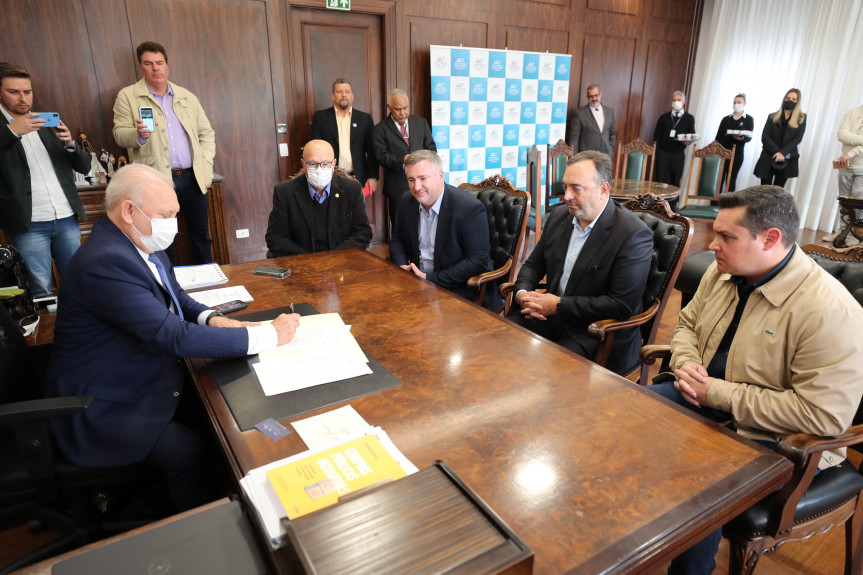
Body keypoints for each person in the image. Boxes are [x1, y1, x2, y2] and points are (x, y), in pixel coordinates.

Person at [44, 164, 300, 512]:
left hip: (138, 376)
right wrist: (270, 335)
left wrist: (213, 318)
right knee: (191, 449)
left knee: (228, 418)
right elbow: (172, 335)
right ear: (129, 211)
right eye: (167, 214)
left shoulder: (142, 242)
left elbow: (176, 296)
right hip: (102, 406)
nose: (173, 225)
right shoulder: (105, 261)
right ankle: (194, 525)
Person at [650, 186, 863, 575]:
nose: (712, 246)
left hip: (781, 437)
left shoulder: (830, 311)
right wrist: (686, 363)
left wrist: (717, 392)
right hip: (706, 400)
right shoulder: (723, 272)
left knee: (700, 484)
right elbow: (686, 326)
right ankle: (627, 536)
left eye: (726, 237)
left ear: (771, 239)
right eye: (715, 233)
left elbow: (823, 417)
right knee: (625, 416)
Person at [507, 150, 653, 375]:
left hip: (597, 331)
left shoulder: (632, 234)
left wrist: (557, 305)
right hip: (548, 317)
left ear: (603, 189)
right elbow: (534, 265)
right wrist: (523, 294)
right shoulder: (559, 216)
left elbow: (621, 305)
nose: (566, 196)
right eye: (565, 187)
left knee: (547, 374)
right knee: (500, 341)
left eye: (576, 188)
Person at [113, 41, 216, 266]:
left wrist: (206, 162)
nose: (155, 68)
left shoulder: (186, 96)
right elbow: (119, 134)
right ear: (141, 66)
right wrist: (138, 135)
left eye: (159, 63)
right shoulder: (128, 96)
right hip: (155, 181)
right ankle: (169, 288)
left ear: (167, 65)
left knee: (201, 236)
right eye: (148, 63)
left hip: (192, 177)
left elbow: (206, 133)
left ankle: (209, 281)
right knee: (161, 239)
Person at [0, 62, 91, 298]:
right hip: (29, 223)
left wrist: (70, 145)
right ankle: (50, 335)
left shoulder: (46, 121)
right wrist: (12, 131)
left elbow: (85, 166)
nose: (23, 98)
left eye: (27, 92)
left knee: (78, 283)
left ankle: (82, 333)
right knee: (40, 289)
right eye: (14, 92)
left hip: (66, 217)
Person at [388, 150, 498, 309]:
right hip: (417, 285)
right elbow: (397, 241)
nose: (416, 187)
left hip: (460, 289)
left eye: (423, 178)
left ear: (440, 176)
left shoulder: (469, 208)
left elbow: (477, 261)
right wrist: (402, 268)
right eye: (411, 180)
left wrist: (430, 279)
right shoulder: (407, 201)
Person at [265, 139, 372, 256]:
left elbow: (363, 232)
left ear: (334, 163)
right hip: (302, 264)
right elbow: (275, 237)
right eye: (313, 163)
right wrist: (310, 261)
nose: (319, 169)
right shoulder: (284, 192)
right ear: (303, 164)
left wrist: (334, 258)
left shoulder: (351, 188)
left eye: (325, 163)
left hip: (341, 262)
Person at [372, 89, 436, 231]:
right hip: (398, 187)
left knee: (426, 225)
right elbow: (380, 156)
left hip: (424, 185)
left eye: (405, 108)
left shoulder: (421, 123)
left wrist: (421, 160)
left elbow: (431, 148)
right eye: (397, 109)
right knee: (401, 227)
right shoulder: (380, 129)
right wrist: (403, 160)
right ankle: (401, 254)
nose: (402, 113)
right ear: (389, 108)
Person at [309, 78, 377, 195]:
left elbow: (372, 151)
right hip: (329, 177)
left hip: (358, 178)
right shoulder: (320, 118)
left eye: (347, 91)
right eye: (339, 91)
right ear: (333, 96)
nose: (344, 95)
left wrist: (373, 177)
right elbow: (314, 150)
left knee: (357, 213)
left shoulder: (365, 119)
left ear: (352, 96)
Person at [824, 103, 863, 244]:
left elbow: (848, 138)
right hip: (844, 164)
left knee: (858, 203)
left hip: (861, 167)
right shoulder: (851, 113)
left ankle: (855, 235)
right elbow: (841, 135)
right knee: (844, 202)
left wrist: (851, 152)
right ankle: (843, 233)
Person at [753, 88, 806, 188]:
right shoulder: (772, 116)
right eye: (788, 98)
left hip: (786, 159)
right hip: (768, 156)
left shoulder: (802, 117)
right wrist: (778, 152)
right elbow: (765, 137)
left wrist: (782, 153)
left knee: (777, 192)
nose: (790, 100)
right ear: (784, 99)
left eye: (794, 99)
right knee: (764, 191)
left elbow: (798, 138)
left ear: (797, 102)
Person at [653, 90, 696, 187]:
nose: (676, 102)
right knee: (660, 181)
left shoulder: (689, 118)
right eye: (674, 100)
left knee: (676, 181)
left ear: (684, 101)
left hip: (678, 154)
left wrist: (687, 142)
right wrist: (658, 152)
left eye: (679, 100)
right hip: (663, 154)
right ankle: (658, 202)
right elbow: (656, 136)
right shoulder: (664, 117)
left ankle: (674, 202)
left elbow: (691, 135)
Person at [714, 93, 754, 193]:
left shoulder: (749, 119)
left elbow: (749, 138)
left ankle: (729, 205)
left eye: (739, 102)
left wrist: (741, 138)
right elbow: (718, 138)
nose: (736, 104)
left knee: (731, 180)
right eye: (735, 102)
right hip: (723, 153)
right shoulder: (726, 119)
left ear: (744, 104)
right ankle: (714, 205)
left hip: (737, 154)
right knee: (719, 179)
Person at [568, 84, 617, 156]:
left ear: (600, 94)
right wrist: (574, 158)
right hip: (586, 157)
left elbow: (612, 133)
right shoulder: (579, 113)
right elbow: (574, 138)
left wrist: (610, 146)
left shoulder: (610, 111)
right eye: (591, 96)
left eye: (596, 95)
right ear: (587, 97)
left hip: (605, 156)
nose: (594, 98)